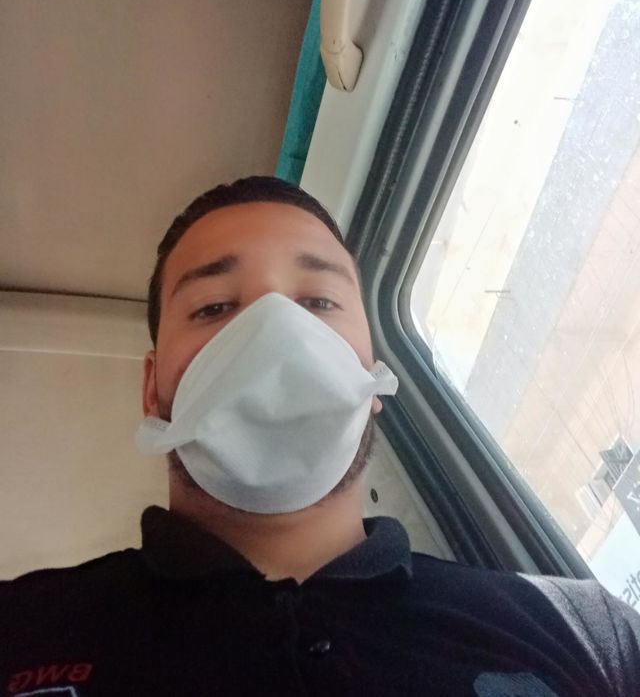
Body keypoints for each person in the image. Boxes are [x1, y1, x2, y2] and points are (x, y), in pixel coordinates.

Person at [1, 175, 639, 697]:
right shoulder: (20, 631)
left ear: (371, 373)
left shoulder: (588, 633)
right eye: (214, 307)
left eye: (318, 303)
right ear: (152, 388)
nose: (275, 334)